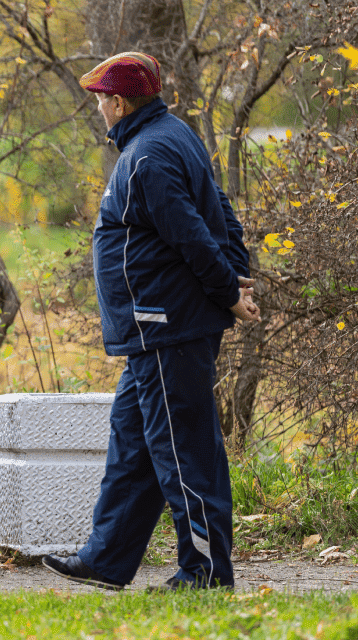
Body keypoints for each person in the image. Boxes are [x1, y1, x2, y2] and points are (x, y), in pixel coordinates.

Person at [42, 52, 260, 591]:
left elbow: (191, 233)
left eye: (101, 100)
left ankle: (206, 571)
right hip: (152, 334)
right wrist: (235, 276)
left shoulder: (147, 155)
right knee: (133, 447)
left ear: (118, 103)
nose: (99, 108)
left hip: (165, 327)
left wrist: (229, 290)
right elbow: (221, 208)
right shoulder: (170, 135)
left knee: (184, 452)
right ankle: (106, 559)